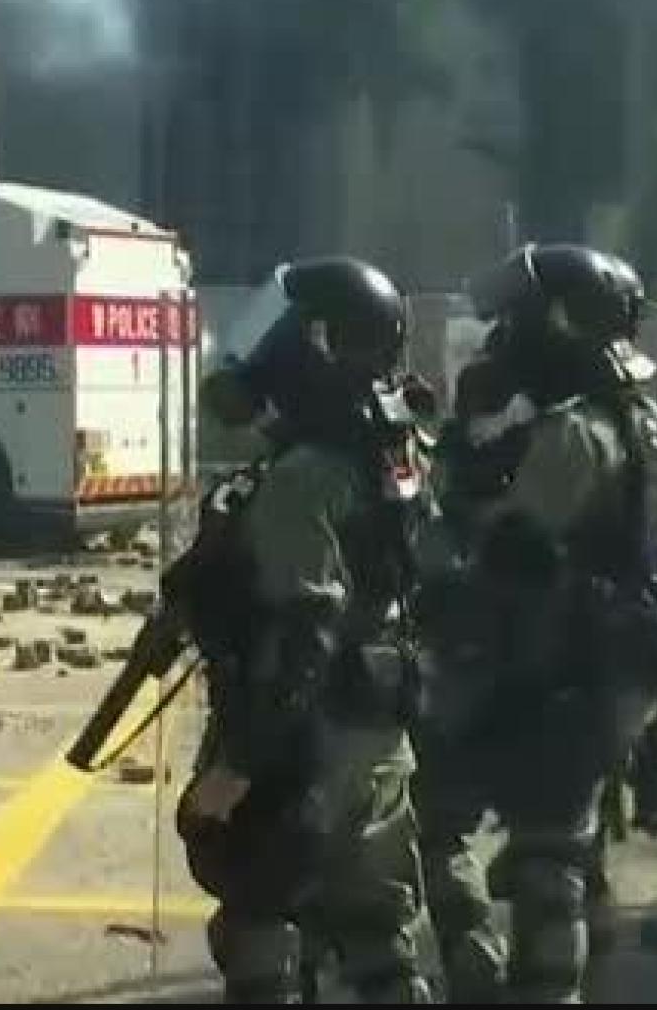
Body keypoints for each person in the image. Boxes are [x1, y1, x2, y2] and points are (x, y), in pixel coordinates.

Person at [413, 244, 657, 1003]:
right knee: (573, 838)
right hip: (620, 655)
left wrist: (457, 458)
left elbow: (507, 544)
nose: (501, 339)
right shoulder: (635, 415)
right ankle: (585, 971)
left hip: (563, 662)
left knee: (526, 846)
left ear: (558, 326)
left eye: (516, 321)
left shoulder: (574, 434)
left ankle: (532, 982)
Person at [176, 256, 435, 1003]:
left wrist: (239, 768)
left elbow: (303, 634)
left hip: (306, 742)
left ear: (314, 344)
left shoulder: (304, 477)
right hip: (378, 728)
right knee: (377, 932)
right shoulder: (396, 450)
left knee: (259, 923)